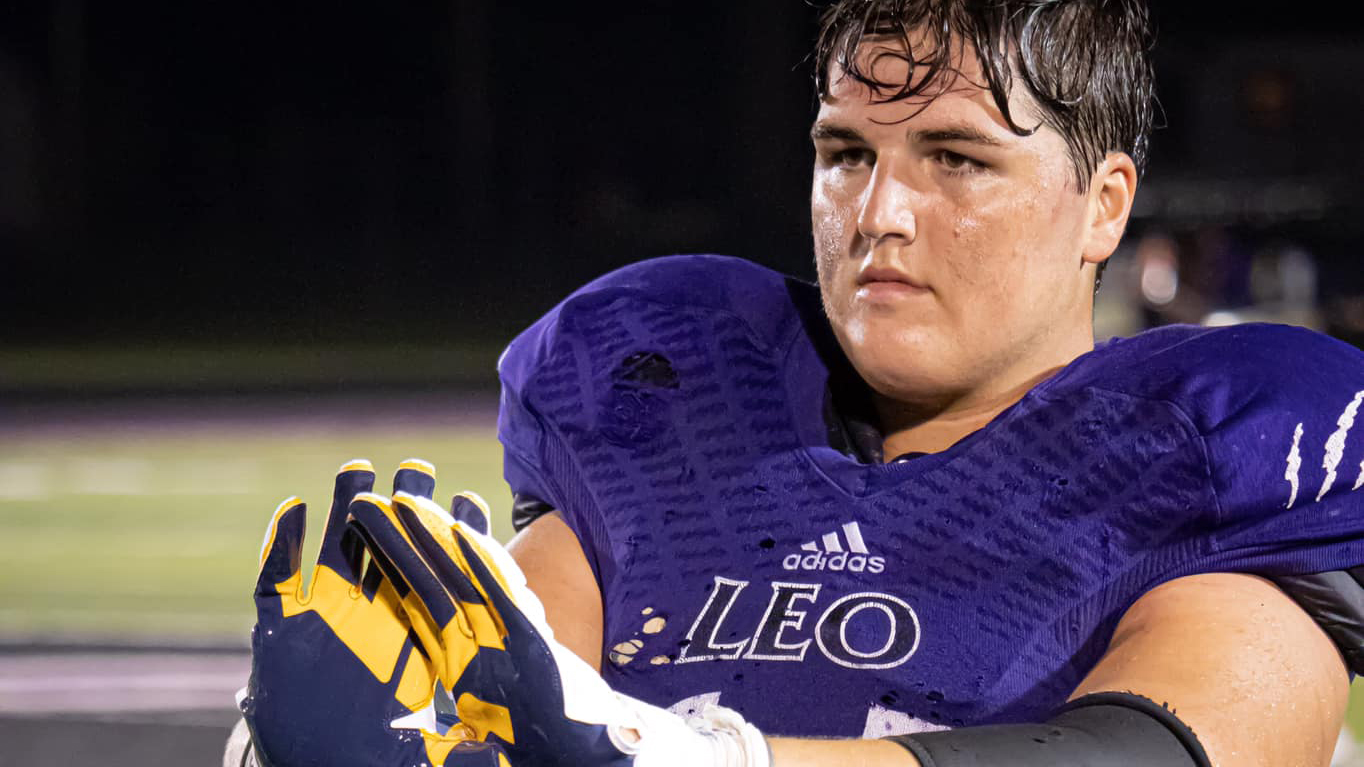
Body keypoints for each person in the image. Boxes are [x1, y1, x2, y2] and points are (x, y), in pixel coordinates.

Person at [232, 1, 1364, 765]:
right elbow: (500, 699)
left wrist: (679, 756)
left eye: (955, 158)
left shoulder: (1210, 445)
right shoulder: (670, 393)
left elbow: (1144, 758)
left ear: (1103, 204)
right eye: (846, 154)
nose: (878, 214)